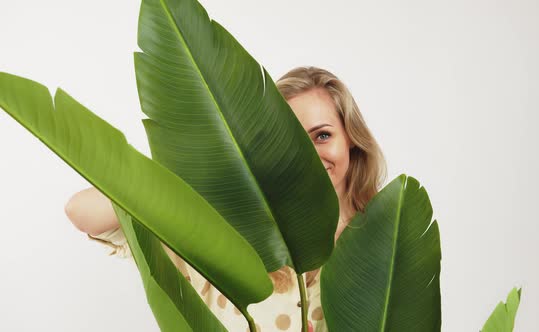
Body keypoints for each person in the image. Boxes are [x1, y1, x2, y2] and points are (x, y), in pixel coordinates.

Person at [65, 66, 387, 332]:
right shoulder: (224, 231)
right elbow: (82, 211)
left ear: (351, 140)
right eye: (288, 141)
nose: (305, 156)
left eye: (322, 135)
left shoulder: (387, 238)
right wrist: (196, 174)